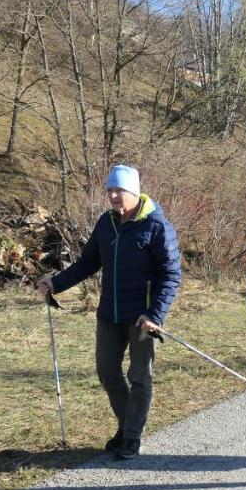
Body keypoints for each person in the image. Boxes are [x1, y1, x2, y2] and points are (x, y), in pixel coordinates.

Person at [37, 165, 181, 460]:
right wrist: (56, 283)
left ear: (135, 192)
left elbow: (171, 274)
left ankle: (131, 435)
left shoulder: (156, 226)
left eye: (120, 191)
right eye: (110, 191)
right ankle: (127, 424)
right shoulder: (107, 223)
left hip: (142, 317)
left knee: (140, 375)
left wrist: (156, 313)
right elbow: (88, 262)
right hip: (109, 313)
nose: (114, 196)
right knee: (107, 371)